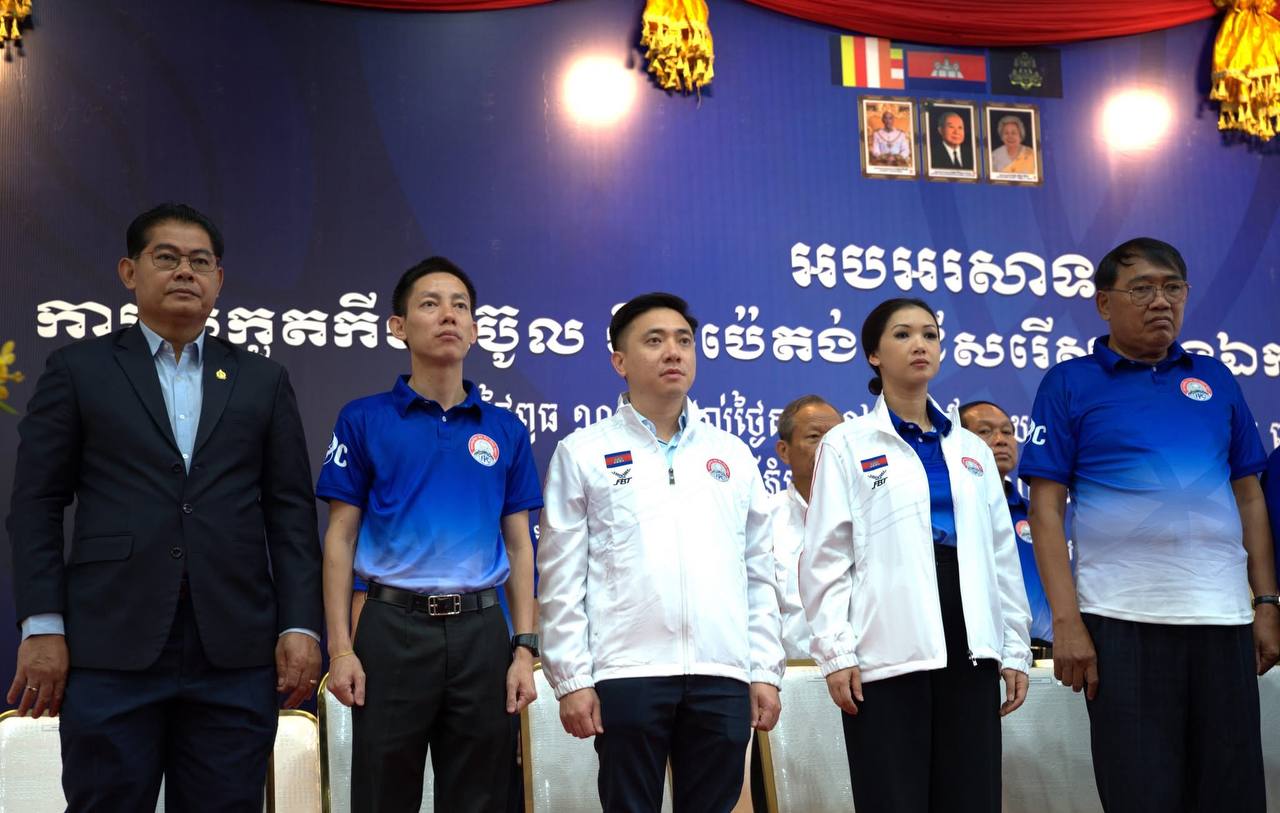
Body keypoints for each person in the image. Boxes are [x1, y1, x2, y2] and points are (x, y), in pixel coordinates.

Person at [6, 202, 323, 810]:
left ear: (218, 281)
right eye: (167, 258)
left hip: (233, 649)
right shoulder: (79, 370)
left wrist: (300, 625)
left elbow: (289, 513)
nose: (185, 272)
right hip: (110, 643)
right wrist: (43, 625)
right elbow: (36, 505)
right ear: (130, 272)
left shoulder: (263, 380)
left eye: (200, 262)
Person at [1019, 237, 1280, 812]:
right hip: (1121, 623)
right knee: (1142, 794)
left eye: (1172, 288)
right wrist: (1067, 622)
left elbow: (1249, 497)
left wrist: (1265, 602)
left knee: (1233, 795)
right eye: (1142, 289)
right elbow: (1045, 510)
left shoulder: (1216, 380)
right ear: (1104, 303)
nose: (1161, 301)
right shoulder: (1069, 383)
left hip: (1223, 621)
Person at [538, 292, 784, 813]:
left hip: (722, 671)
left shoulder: (732, 454)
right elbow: (560, 579)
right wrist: (571, 679)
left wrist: (763, 669)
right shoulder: (582, 452)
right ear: (619, 361)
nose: (673, 351)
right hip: (627, 673)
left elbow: (759, 573)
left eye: (684, 341)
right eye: (654, 341)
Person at [317, 257, 542, 813]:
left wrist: (524, 649)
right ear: (398, 326)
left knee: (482, 797)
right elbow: (340, 538)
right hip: (391, 628)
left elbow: (520, 546)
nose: (448, 315)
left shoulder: (505, 429)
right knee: (382, 795)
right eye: (430, 304)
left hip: (482, 632)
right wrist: (341, 649)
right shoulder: (363, 419)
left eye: (460, 306)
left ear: (475, 329)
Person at [800, 297, 1031, 813]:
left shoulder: (970, 449)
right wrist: (836, 652)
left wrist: (1014, 646)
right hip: (887, 648)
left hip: (970, 641)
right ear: (874, 355)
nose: (920, 345)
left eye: (929, 334)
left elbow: (1001, 555)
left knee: (970, 796)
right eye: (902, 335)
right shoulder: (847, 444)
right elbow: (826, 558)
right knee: (893, 796)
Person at [959, 400, 1054, 654]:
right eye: (985, 431)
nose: (1001, 440)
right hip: (981, 652)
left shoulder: (1034, 513)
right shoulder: (950, 515)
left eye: (1007, 431)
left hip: (1045, 653)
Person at [771, 395, 843, 660]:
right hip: (785, 674)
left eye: (835, 437)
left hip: (861, 673)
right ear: (784, 451)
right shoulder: (763, 520)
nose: (827, 447)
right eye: (814, 437)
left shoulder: (869, 518)